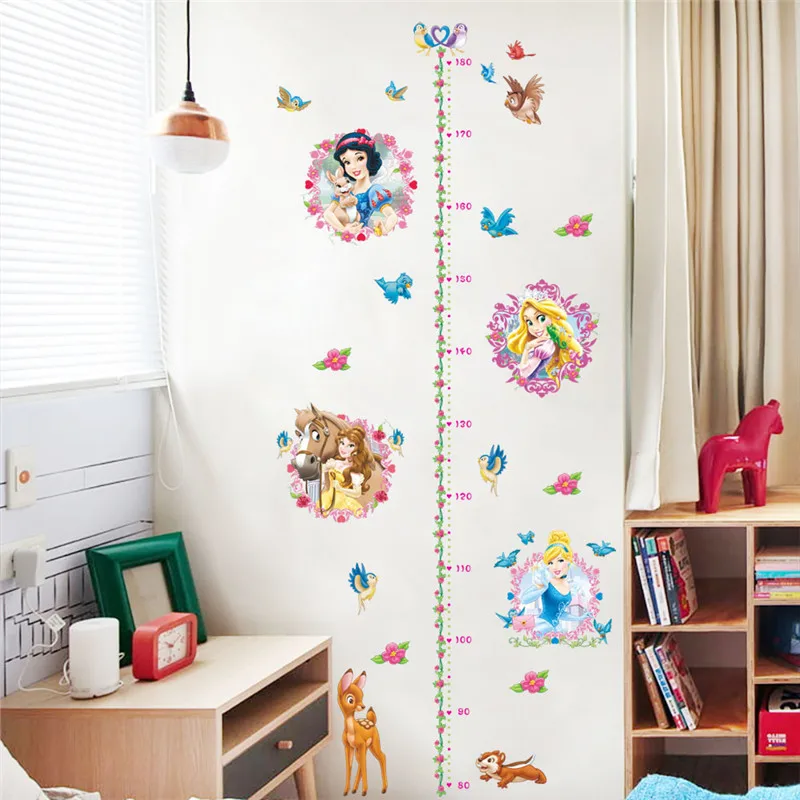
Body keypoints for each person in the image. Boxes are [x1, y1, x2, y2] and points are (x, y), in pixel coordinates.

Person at [322, 130, 399, 235]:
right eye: (347, 162)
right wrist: (344, 229)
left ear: (369, 159)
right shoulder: (344, 189)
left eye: (360, 158)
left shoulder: (374, 191)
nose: (353, 166)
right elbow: (328, 213)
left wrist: (384, 228)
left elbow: (392, 216)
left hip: (362, 237)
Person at [518, 530, 592, 634]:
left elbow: (560, 614)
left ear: (569, 561)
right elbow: (524, 599)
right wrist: (542, 588)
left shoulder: (570, 587)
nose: (555, 567)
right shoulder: (546, 582)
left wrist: (580, 618)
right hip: (542, 625)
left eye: (560, 560)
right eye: (550, 563)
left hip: (556, 628)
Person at [506, 297, 583, 388]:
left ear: (552, 317)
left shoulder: (545, 346)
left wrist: (527, 349)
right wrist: (527, 349)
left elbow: (524, 372)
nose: (535, 328)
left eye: (541, 318)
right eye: (529, 323)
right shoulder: (544, 344)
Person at [320, 426, 375, 516]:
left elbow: (357, 493)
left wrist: (340, 489)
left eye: (350, 445)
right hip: (327, 497)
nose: (343, 448)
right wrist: (326, 469)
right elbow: (324, 482)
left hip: (342, 502)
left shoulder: (355, 471)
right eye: (342, 443)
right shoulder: (335, 463)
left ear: (357, 450)